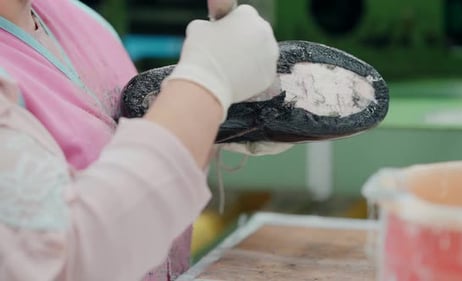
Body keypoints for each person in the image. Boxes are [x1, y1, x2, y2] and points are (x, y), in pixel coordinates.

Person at [0, 0, 279, 280]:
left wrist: (219, 118)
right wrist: (206, 84)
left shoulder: (77, 18)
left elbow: (141, 167)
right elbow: (61, 257)